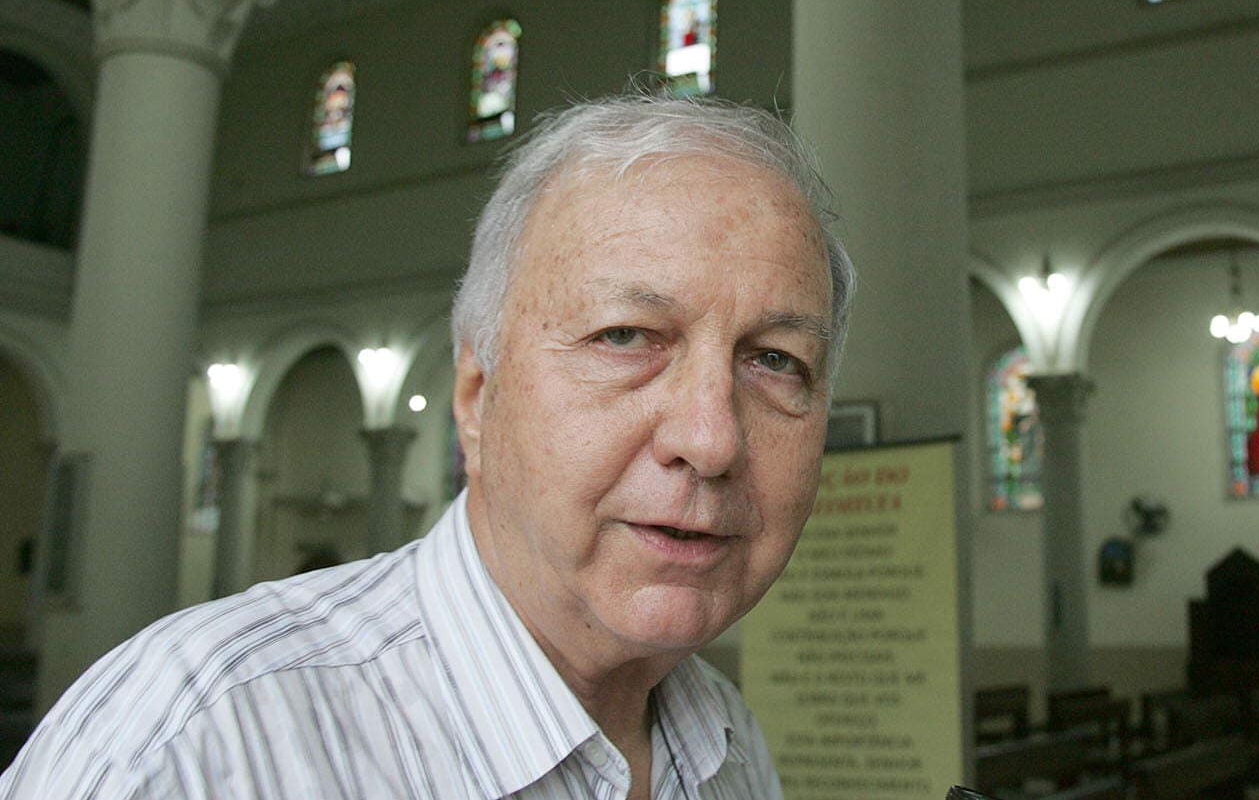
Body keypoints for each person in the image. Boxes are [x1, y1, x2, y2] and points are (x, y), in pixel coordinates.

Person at [1, 93, 856, 799]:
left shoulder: (730, 748)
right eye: (627, 336)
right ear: (477, 399)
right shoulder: (196, 748)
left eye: (777, 360)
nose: (710, 439)